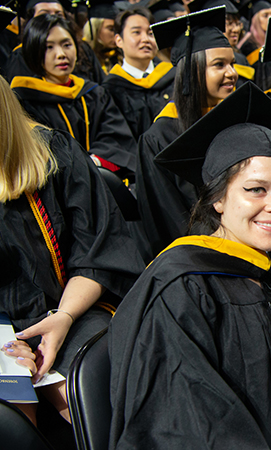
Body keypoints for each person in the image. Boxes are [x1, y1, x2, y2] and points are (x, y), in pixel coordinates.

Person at [108, 82, 271, 449]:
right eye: (256, 189)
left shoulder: (263, 269)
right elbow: (185, 426)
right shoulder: (182, 286)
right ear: (217, 200)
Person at [0, 74, 142, 426]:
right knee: (14, 418)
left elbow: (100, 251)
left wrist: (62, 318)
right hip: (4, 333)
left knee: (83, 401)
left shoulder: (51, 152)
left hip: (69, 308)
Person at [136, 6, 238, 262]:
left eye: (232, 63)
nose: (232, 73)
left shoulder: (235, 119)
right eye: (219, 65)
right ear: (191, 72)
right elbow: (169, 218)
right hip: (198, 257)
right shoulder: (159, 139)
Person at [12, 13, 137, 174]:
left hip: (103, 179)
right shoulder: (24, 100)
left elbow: (117, 140)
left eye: (66, 44)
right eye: (49, 47)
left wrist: (93, 162)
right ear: (34, 51)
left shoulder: (93, 93)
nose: (61, 54)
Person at [102, 7, 175, 140]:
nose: (145, 39)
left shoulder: (173, 76)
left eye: (150, 33)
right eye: (136, 32)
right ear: (118, 40)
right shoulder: (110, 89)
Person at [82, 0, 120, 74]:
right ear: (95, 29)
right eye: (111, 29)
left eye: (118, 29)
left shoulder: (121, 57)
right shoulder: (84, 59)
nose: (116, 35)